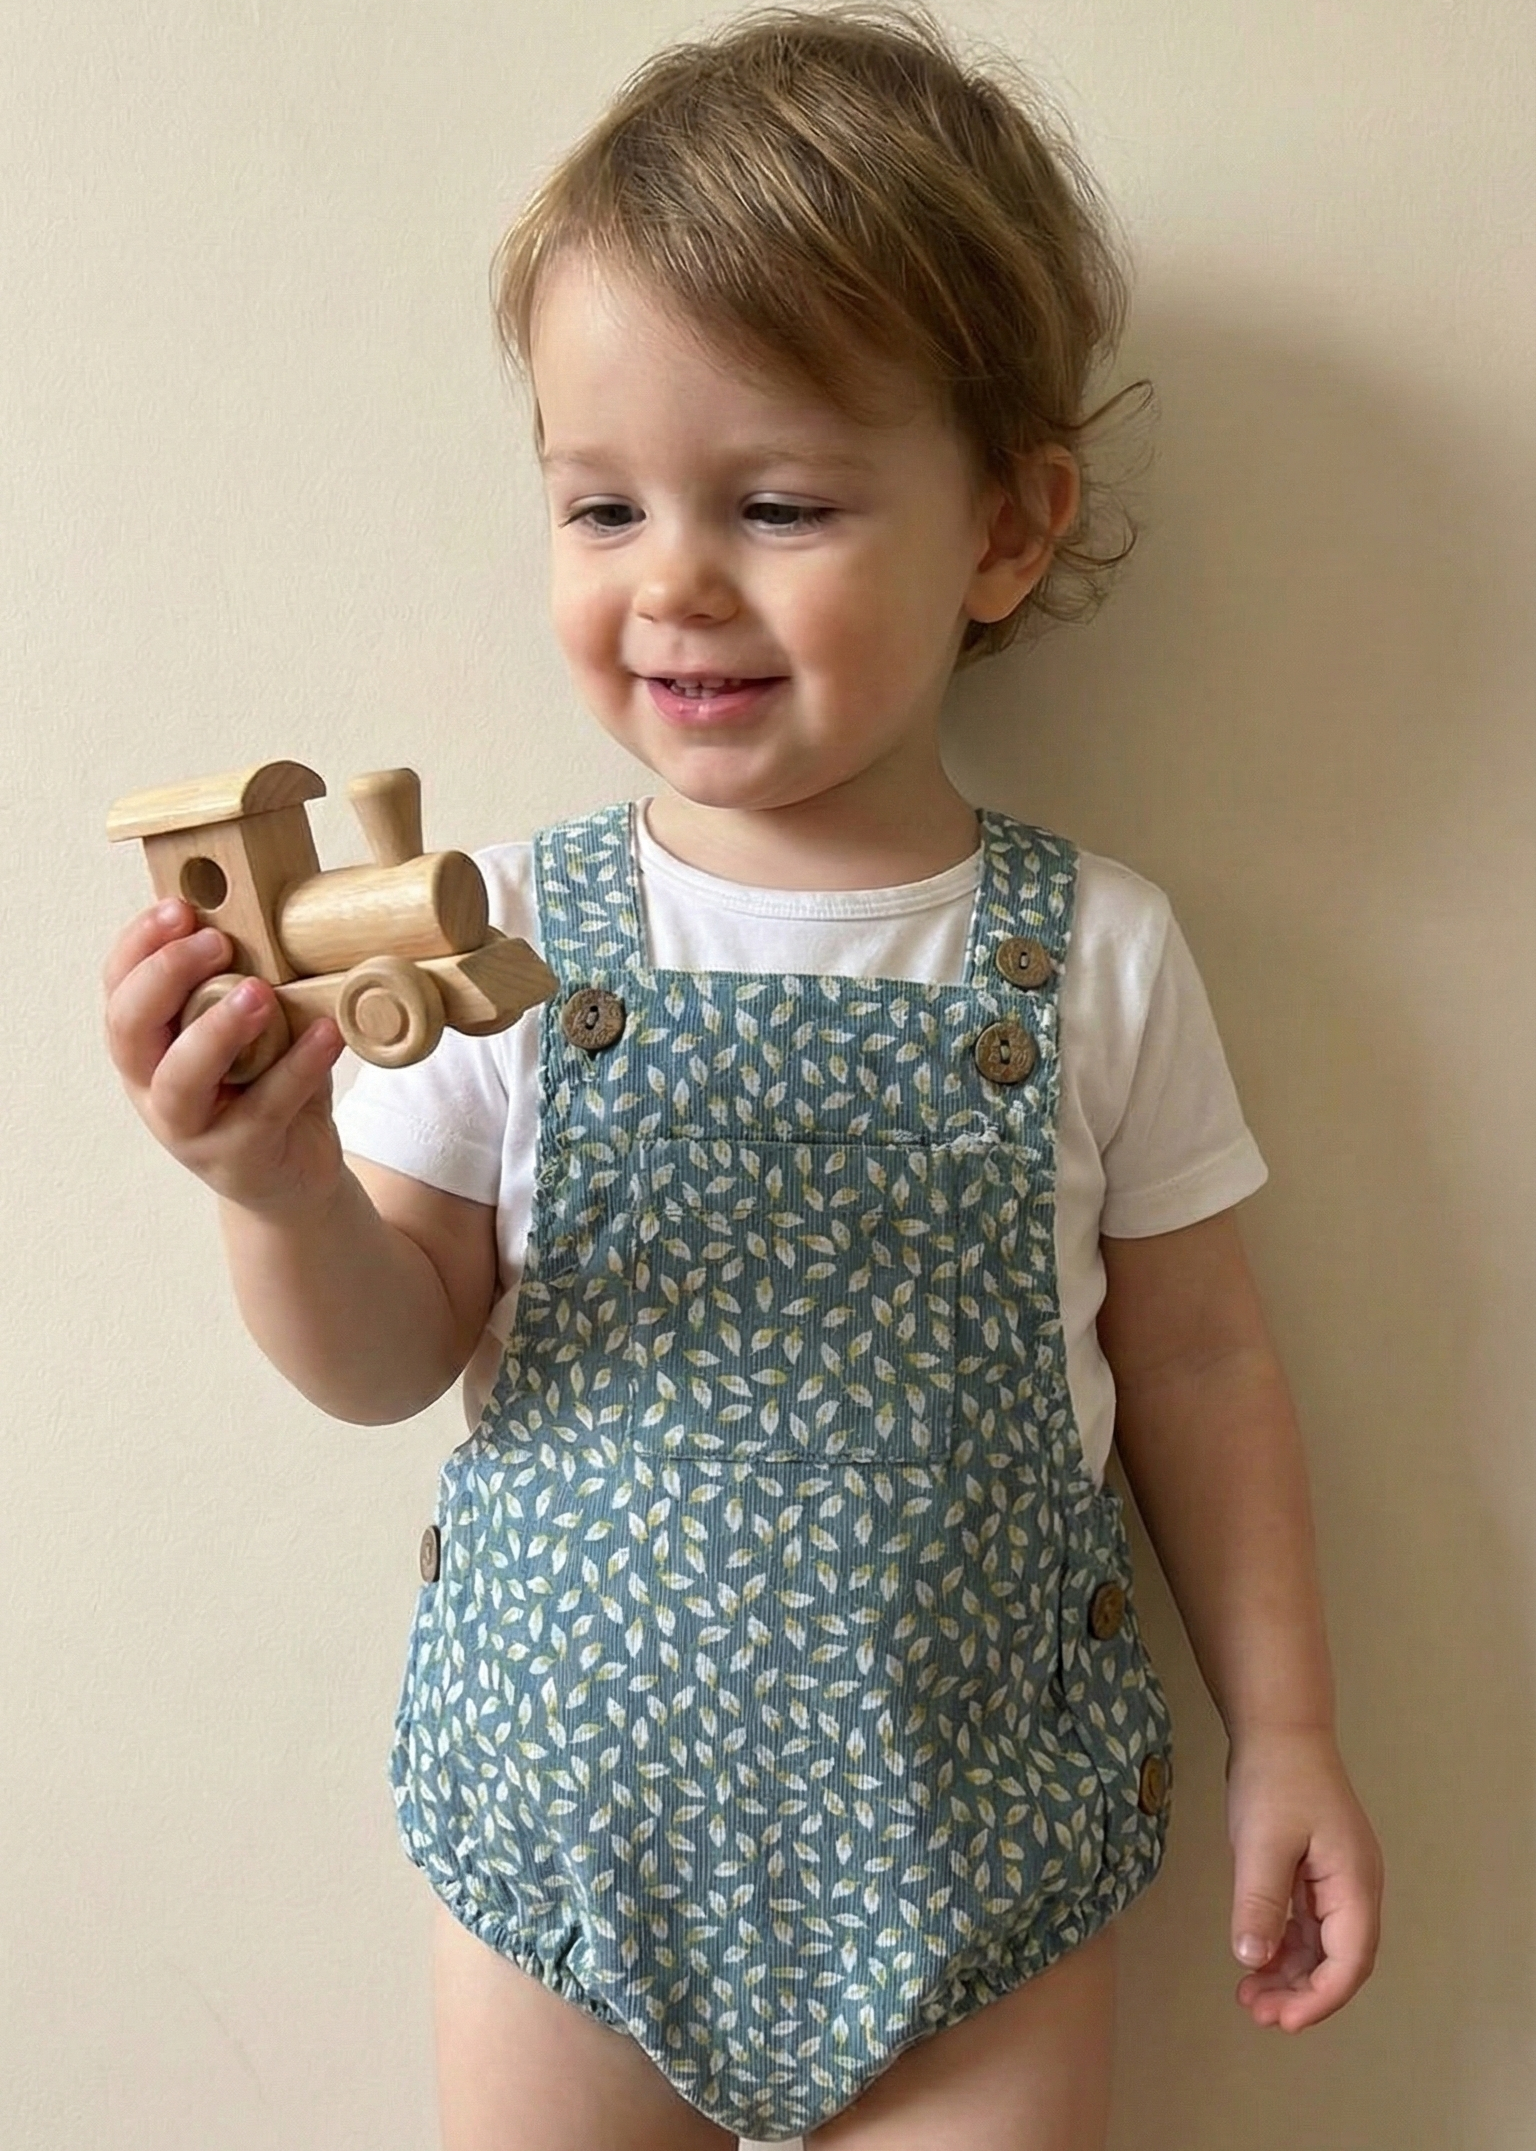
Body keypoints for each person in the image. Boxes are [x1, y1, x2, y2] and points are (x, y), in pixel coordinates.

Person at [102, 6, 1382, 2146]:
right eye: (602, 502)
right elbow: (384, 1353)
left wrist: (1296, 1731)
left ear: (1005, 528)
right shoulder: (490, 930)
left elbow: (1209, 1373)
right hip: (567, 1867)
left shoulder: (1097, 961)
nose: (672, 579)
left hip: (975, 1853)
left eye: (777, 501)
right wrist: (277, 1189)